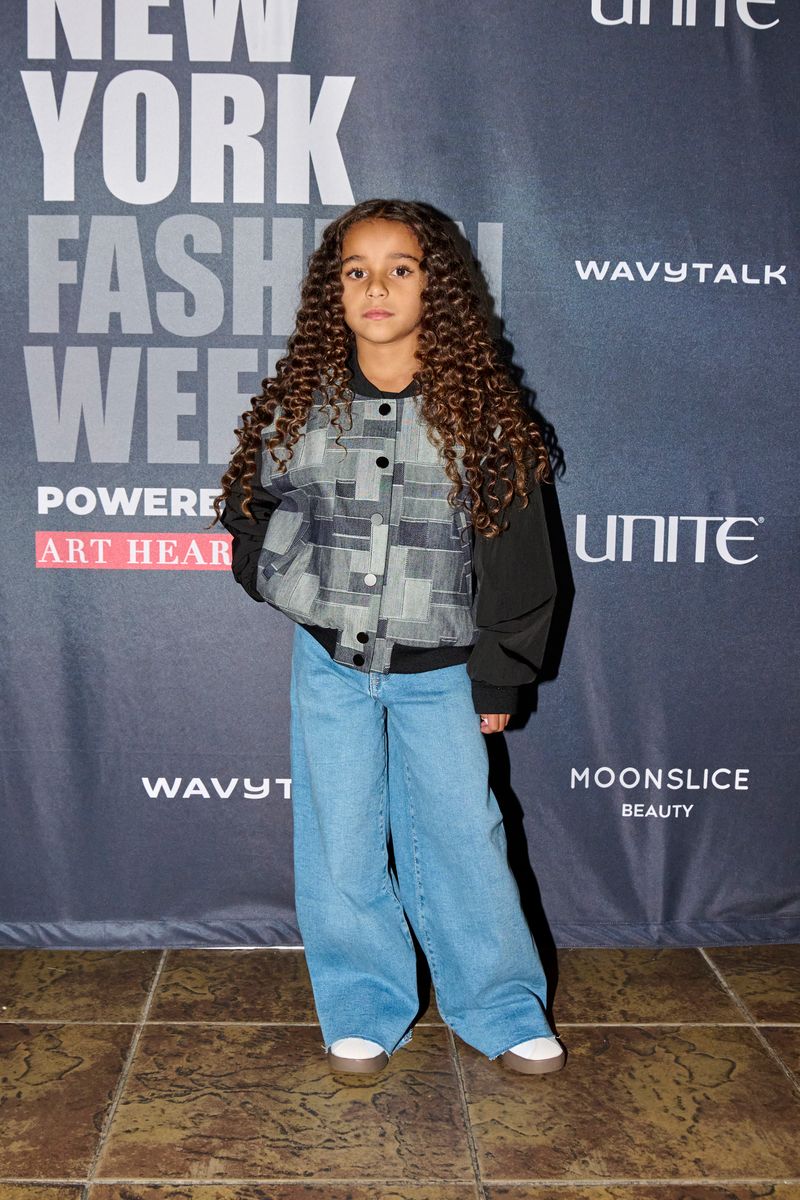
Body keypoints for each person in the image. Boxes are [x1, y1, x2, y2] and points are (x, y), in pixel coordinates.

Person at [211, 199, 565, 1077]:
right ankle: (364, 1003)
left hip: (444, 671)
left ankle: (500, 1006)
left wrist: (499, 680)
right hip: (329, 664)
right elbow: (248, 509)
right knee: (338, 838)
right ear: (333, 291)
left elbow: (518, 555)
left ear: (434, 287)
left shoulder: (481, 416)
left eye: (399, 268)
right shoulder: (302, 404)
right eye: (355, 270)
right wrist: (277, 578)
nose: (376, 285)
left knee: (462, 834)